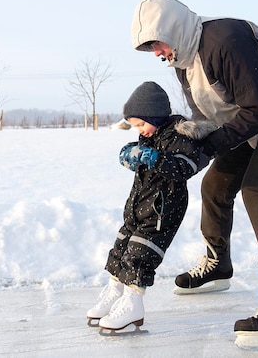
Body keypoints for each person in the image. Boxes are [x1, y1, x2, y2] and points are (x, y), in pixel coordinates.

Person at [130, 0, 258, 348]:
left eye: (156, 43)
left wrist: (209, 146)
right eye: (150, 49)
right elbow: (208, 120)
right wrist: (186, 148)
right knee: (215, 185)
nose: (157, 53)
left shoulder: (225, 39)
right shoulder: (184, 63)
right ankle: (217, 263)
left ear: (172, 30)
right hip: (256, 119)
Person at [87, 81, 205, 332]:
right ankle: (115, 292)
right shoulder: (148, 137)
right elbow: (137, 154)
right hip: (138, 206)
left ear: (155, 115)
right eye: (133, 126)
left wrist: (157, 159)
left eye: (141, 123)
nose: (138, 129)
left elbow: (186, 166)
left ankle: (133, 303)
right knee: (121, 247)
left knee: (141, 255)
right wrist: (130, 153)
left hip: (164, 209)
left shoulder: (180, 135)